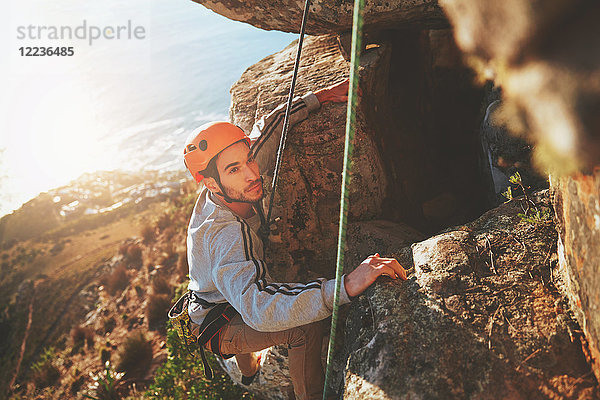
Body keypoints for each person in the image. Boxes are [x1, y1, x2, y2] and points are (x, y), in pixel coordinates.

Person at [182, 79, 406, 400]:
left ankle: (249, 372)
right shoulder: (224, 236)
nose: (251, 173)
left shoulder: (236, 172)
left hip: (226, 292)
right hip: (215, 320)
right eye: (234, 169)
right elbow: (257, 308)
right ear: (212, 185)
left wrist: (321, 97)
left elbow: (271, 126)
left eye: (248, 160)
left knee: (249, 302)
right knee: (302, 329)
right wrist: (343, 287)